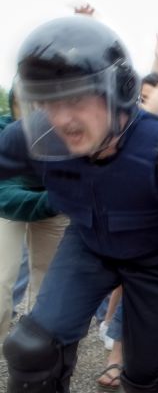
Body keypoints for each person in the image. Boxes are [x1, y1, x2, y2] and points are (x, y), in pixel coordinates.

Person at [0, 16, 158, 392]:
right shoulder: (35, 137)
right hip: (89, 245)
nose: (61, 119)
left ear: (117, 92)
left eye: (74, 98)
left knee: (144, 378)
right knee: (32, 351)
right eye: (48, 102)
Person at [0, 86, 69, 340]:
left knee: (49, 283)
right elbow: (4, 194)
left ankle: (37, 342)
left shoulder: (66, 134)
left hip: (52, 208)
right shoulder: (4, 131)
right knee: (1, 280)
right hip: (12, 206)